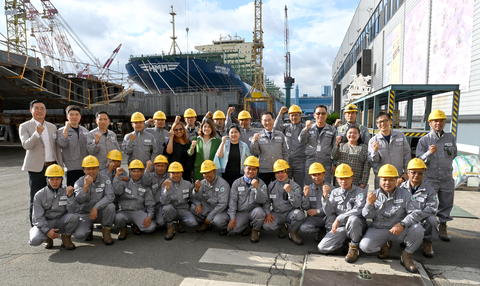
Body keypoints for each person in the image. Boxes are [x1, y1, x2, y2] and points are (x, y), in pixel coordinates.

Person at [359, 164, 424, 273]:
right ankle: (385, 244)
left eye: (391, 180)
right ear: (380, 180)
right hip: (379, 229)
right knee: (365, 246)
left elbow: (416, 213)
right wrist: (369, 205)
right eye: (384, 180)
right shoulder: (373, 195)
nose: (387, 183)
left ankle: (407, 255)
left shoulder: (405, 194)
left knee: (418, 229)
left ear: (395, 180)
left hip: (399, 230)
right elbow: (367, 216)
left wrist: (402, 224)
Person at [20, 99, 63, 225]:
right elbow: (26, 145)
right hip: (36, 168)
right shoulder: (25, 126)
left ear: (45, 111)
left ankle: (54, 224)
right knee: (36, 198)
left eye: (42, 108)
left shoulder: (52, 127)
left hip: (53, 167)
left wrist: (60, 165)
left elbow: (57, 148)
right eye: (36, 108)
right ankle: (36, 226)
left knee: (55, 197)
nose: (39, 111)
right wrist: (36, 134)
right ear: (31, 110)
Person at [416, 109, 457, 242]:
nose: (438, 123)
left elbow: (453, 154)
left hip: (446, 178)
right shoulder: (424, 140)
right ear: (430, 123)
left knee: (446, 203)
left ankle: (443, 226)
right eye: (435, 121)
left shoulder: (450, 137)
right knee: (428, 204)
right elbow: (419, 160)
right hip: (431, 179)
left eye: (441, 120)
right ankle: (427, 228)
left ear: (444, 122)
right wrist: (429, 153)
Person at [318, 164, 367, 263]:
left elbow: (358, 210)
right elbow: (328, 212)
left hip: (356, 226)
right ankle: (345, 242)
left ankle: (354, 247)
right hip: (342, 227)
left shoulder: (360, 192)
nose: (343, 181)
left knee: (353, 219)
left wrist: (339, 218)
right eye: (341, 178)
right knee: (322, 248)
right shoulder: (334, 192)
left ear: (352, 178)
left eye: (346, 178)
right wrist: (325, 197)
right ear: (337, 179)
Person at [29, 164, 78, 250]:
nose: (55, 182)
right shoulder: (39, 195)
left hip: (60, 221)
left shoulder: (66, 191)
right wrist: (47, 231)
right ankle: (48, 238)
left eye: (57, 179)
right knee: (34, 240)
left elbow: (74, 210)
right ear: (47, 180)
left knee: (75, 217)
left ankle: (66, 238)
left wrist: (70, 197)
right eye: (52, 179)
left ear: (61, 179)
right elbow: (37, 217)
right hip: (46, 222)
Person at [398, 158, 439, 258]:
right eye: (413, 172)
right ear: (407, 172)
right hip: (406, 219)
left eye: (420, 173)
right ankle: (402, 239)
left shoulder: (429, 190)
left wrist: (417, 215)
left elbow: (432, 208)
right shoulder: (401, 188)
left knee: (433, 220)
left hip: (422, 218)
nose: (416, 175)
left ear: (424, 174)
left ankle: (428, 242)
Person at [73, 155, 116, 245]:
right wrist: (86, 186)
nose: (91, 171)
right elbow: (79, 200)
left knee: (111, 206)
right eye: (88, 169)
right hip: (86, 213)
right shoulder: (79, 182)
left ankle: (106, 230)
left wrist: (96, 207)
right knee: (79, 235)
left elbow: (110, 196)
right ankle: (89, 228)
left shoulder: (105, 178)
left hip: (100, 212)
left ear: (98, 168)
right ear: (83, 170)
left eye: (94, 168)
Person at [225, 156, 268, 243]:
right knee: (232, 230)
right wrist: (232, 218)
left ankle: (256, 230)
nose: (251, 171)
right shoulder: (237, 183)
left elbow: (263, 201)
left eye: (254, 169)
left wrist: (257, 188)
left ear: (257, 171)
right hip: (241, 212)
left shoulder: (262, 183)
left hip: (254, 212)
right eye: (249, 169)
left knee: (260, 212)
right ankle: (246, 225)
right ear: (244, 169)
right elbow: (233, 201)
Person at [263, 159, 305, 245]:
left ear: (287, 172)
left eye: (282, 172)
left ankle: (293, 232)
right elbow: (267, 202)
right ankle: (281, 226)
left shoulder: (295, 186)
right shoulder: (271, 186)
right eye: (277, 172)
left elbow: (297, 204)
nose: (280, 175)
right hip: (277, 213)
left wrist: (290, 192)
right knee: (266, 226)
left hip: (290, 213)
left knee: (300, 215)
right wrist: (267, 213)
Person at [113, 160, 156, 240]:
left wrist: (149, 216)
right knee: (118, 218)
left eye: (138, 171)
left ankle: (136, 224)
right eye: (134, 171)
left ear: (142, 172)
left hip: (138, 212)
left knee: (151, 227)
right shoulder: (124, 181)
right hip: (124, 212)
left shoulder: (145, 186)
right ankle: (122, 229)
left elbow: (150, 204)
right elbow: (117, 191)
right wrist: (116, 176)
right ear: (130, 172)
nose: (136, 174)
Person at [368, 111, 411, 188]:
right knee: (382, 199)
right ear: (377, 124)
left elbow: (407, 154)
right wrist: (375, 151)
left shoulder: (400, 136)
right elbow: (373, 161)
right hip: (382, 179)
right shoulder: (373, 141)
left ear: (390, 121)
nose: (383, 124)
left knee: (400, 199)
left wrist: (406, 173)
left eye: (385, 121)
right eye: (380, 122)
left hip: (399, 177)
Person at [299, 105, 336, 185]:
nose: (320, 115)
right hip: (311, 162)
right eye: (318, 113)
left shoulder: (332, 129)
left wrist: (334, 164)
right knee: (310, 187)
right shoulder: (308, 128)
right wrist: (306, 129)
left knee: (326, 187)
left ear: (326, 115)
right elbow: (301, 140)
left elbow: (334, 147)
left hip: (326, 163)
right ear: (314, 115)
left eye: (323, 113)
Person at [161, 162, 198, 240]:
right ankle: (170, 227)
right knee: (166, 208)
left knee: (193, 223)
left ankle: (181, 222)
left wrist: (197, 193)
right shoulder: (166, 183)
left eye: (178, 173)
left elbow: (193, 197)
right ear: (169, 174)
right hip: (172, 210)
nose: (175, 175)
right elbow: (163, 202)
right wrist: (166, 189)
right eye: (173, 173)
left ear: (181, 173)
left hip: (183, 209)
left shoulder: (187, 184)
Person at [191, 160, 230, 235]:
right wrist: (196, 190)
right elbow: (196, 198)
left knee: (218, 221)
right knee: (193, 208)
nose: (206, 175)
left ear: (214, 172)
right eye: (204, 173)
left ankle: (226, 228)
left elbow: (222, 204)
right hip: (209, 207)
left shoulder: (222, 184)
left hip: (221, 210)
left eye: (208, 172)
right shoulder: (202, 182)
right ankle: (207, 223)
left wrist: (209, 217)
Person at [250, 111, 289, 184]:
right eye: (265, 120)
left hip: (279, 170)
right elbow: (255, 153)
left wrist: (286, 168)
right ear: (261, 122)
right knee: (264, 191)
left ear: (273, 120)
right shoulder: (258, 136)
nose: (267, 122)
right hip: (264, 170)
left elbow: (285, 152)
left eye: (269, 120)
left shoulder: (280, 135)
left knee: (279, 191)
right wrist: (254, 142)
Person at [56, 105, 89, 186]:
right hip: (71, 168)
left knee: (86, 190)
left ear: (80, 116)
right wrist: (66, 129)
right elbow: (62, 144)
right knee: (72, 191)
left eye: (76, 114)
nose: (74, 116)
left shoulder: (84, 130)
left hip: (85, 167)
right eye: (71, 114)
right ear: (67, 116)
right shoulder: (61, 131)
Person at [274, 105, 307, 186]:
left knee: (299, 185)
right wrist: (280, 114)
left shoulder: (304, 127)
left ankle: (298, 198)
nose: (294, 117)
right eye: (292, 115)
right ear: (289, 116)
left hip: (300, 162)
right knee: (285, 184)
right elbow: (275, 128)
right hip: (287, 162)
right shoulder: (286, 127)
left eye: (296, 115)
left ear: (300, 115)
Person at [300, 162, 332, 242]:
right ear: (311, 176)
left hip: (328, 217)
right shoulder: (309, 188)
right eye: (314, 175)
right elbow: (305, 207)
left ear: (324, 175)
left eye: (319, 174)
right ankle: (321, 230)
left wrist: (318, 211)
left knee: (333, 224)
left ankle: (329, 236)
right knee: (304, 228)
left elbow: (332, 209)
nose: (317, 177)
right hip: (315, 219)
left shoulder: (331, 189)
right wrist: (306, 196)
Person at [164, 116, 194, 181]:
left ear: (183, 130)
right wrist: (171, 137)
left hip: (185, 173)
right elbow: (169, 152)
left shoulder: (188, 142)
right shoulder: (171, 141)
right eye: (176, 130)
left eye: (180, 129)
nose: (178, 131)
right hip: (174, 172)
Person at [144, 155, 170, 229]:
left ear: (166, 166)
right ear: (154, 166)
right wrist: (147, 169)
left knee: (160, 222)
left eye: (162, 166)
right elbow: (145, 183)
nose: (160, 168)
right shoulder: (150, 176)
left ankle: (158, 222)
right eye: (158, 166)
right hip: (150, 205)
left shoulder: (169, 177)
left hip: (161, 205)